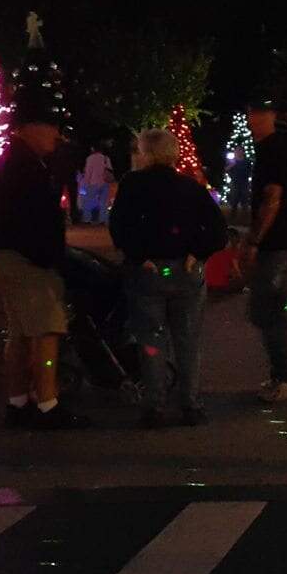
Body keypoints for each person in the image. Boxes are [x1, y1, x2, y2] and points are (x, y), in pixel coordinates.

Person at [109, 128, 228, 428]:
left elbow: (120, 225)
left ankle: (155, 406)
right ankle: (190, 403)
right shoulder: (189, 187)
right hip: (185, 270)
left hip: (148, 271)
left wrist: (138, 255)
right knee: (187, 339)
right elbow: (217, 228)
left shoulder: (132, 185)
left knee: (151, 338)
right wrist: (197, 253)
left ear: (146, 153)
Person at [0, 98, 87, 428]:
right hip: (29, 261)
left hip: (15, 257)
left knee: (21, 332)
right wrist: (49, 257)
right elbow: (33, 220)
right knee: (45, 331)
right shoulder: (25, 168)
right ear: (30, 129)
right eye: (50, 127)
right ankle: (47, 404)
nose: (56, 134)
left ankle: (18, 400)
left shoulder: (15, 163)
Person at [239, 97, 287, 403]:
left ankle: (284, 377)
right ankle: (282, 374)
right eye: (251, 112)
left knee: (269, 309)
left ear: (271, 115)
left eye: (259, 113)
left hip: (275, 244)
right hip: (281, 241)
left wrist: (254, 240)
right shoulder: (269, 149)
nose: (253, 118)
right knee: (269, 309)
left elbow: (273, 198)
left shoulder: (271, 150)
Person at [80, 142, 114, 224]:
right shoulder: (106, 158)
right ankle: (103, 219)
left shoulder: (90, 158)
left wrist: (85, 183)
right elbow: (109, 170)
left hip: (93, 182)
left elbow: (88, 172)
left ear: (93, 149)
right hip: (105, 182)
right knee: (104, 202)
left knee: (88, 201)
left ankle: (87, 219)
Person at [206, 228, 245, 295]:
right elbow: (237, 273)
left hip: (209, 287)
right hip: (221, 287)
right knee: (242, 280)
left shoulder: (212, 250)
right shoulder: (232, 253)